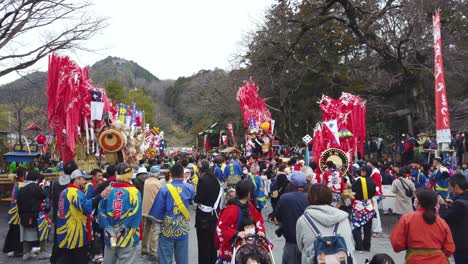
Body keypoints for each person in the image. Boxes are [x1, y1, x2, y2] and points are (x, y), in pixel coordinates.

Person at [56, 169, 111, 264]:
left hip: (65, 231)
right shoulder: (74, 192)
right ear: (77, 180)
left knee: (67, 258)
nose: (86, 182)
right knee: (78, 259)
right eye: (84, 179)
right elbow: (86, 207)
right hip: (74, 233)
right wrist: (101, 196)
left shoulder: (64, 191)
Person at [390, 189, 455, 263]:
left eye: (416, 198)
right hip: (439, 260)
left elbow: (397, 243)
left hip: (415, 260)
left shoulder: (407, 219)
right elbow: (450, 249)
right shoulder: (441, 222)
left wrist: (411, 246)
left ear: (418, 202)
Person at [148, 163, 195, 264]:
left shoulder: (164, 189)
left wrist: (158, 223)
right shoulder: (189, 188)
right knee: (182, 258)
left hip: (167, 228)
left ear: (171, 175)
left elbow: (157, 211)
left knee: (165, 257)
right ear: (183, 174)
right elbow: (192, 199)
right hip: (182, 228)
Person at [296, 184, 354, 263]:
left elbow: (301, 247)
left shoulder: (303, 220)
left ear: (309, 199)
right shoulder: (343, 217)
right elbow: (349, 243)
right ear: (330, 198)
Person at [99, 163, 142, 264]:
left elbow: (101, 211)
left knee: (109, 260)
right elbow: (135, 213)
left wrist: (109, 229)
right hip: (127, 236)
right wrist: (120, 229)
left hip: (110, 235)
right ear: (130, 174)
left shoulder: (108, 190)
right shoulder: (134, 192)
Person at [215, 180, 266, 264]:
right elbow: (220, 227)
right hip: (236, 245)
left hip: (250, 243)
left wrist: (260, 230)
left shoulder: (249, 205)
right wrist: (236, 233)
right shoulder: (232, 209)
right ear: (248, 193)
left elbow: (258, 219)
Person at [275, 172, 308, 264]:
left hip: (290, 239)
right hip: (306, 239)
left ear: (292, 184)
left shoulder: (285, 198)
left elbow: (278, 216)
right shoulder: (310, 197)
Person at [17, 171, 50, 260]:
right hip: (35, 214)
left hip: (23, 215)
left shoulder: (22, 187)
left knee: (26, 234)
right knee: (43, 231)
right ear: (37, 179)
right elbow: (43, 195)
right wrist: (47, 187)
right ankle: (43, 251)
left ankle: (26, 253)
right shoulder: (34, 186)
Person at [50, 160, 78, 264]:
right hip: (71, 216)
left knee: (58, 239)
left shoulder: (56, 182)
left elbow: (52, 198)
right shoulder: (73, 184)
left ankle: (55, 259)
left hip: (58, 214)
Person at [195, 160, 223, 264]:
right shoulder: (215, 179)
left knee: (203, 245)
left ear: (200, 169)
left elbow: (199, 198)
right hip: (214, 215)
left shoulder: (202, 180)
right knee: (212, 244)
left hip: (203, 216)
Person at [439, 173, 468, 263]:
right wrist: (453, 205)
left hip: (463, 245)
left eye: (450, 187)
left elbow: (445, 218)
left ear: (456, 187)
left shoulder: (460, 204)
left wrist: (443, 205)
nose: (450, 190)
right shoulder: (461, 202)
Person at [351, 165, 377, 252]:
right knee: (368, 228)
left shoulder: (359, 180)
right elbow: (374, 193)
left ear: (364, 172)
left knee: (356, 226)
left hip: (359, 206)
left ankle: (359, 246)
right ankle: (367, 246)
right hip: (369, 206)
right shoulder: (373, 182)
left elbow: (353, 188)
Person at [141, 166, 163, 260]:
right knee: (154, 230)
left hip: (145, 209)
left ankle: (144, 249)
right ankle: (152, 252)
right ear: (157, 174)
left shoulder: (147, 181)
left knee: (146, 229)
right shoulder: (158, 183)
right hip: (154, 209)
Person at [3, 167, 25, 257]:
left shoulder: (17, 183)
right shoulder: (21, 185)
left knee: (12, 230)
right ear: (23, 174)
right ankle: (16, 250)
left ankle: (8, 248)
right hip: (17, 212)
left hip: (12, 211)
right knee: (16, 232)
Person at [368, 160, 383, 237]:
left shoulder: (375, 173)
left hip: (373, 195)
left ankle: (377, 229)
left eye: (368, 163)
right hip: (372, 195)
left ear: (372, 164)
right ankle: (374, 229)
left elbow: (376, 186)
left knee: (375, 213)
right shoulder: (374, 172)